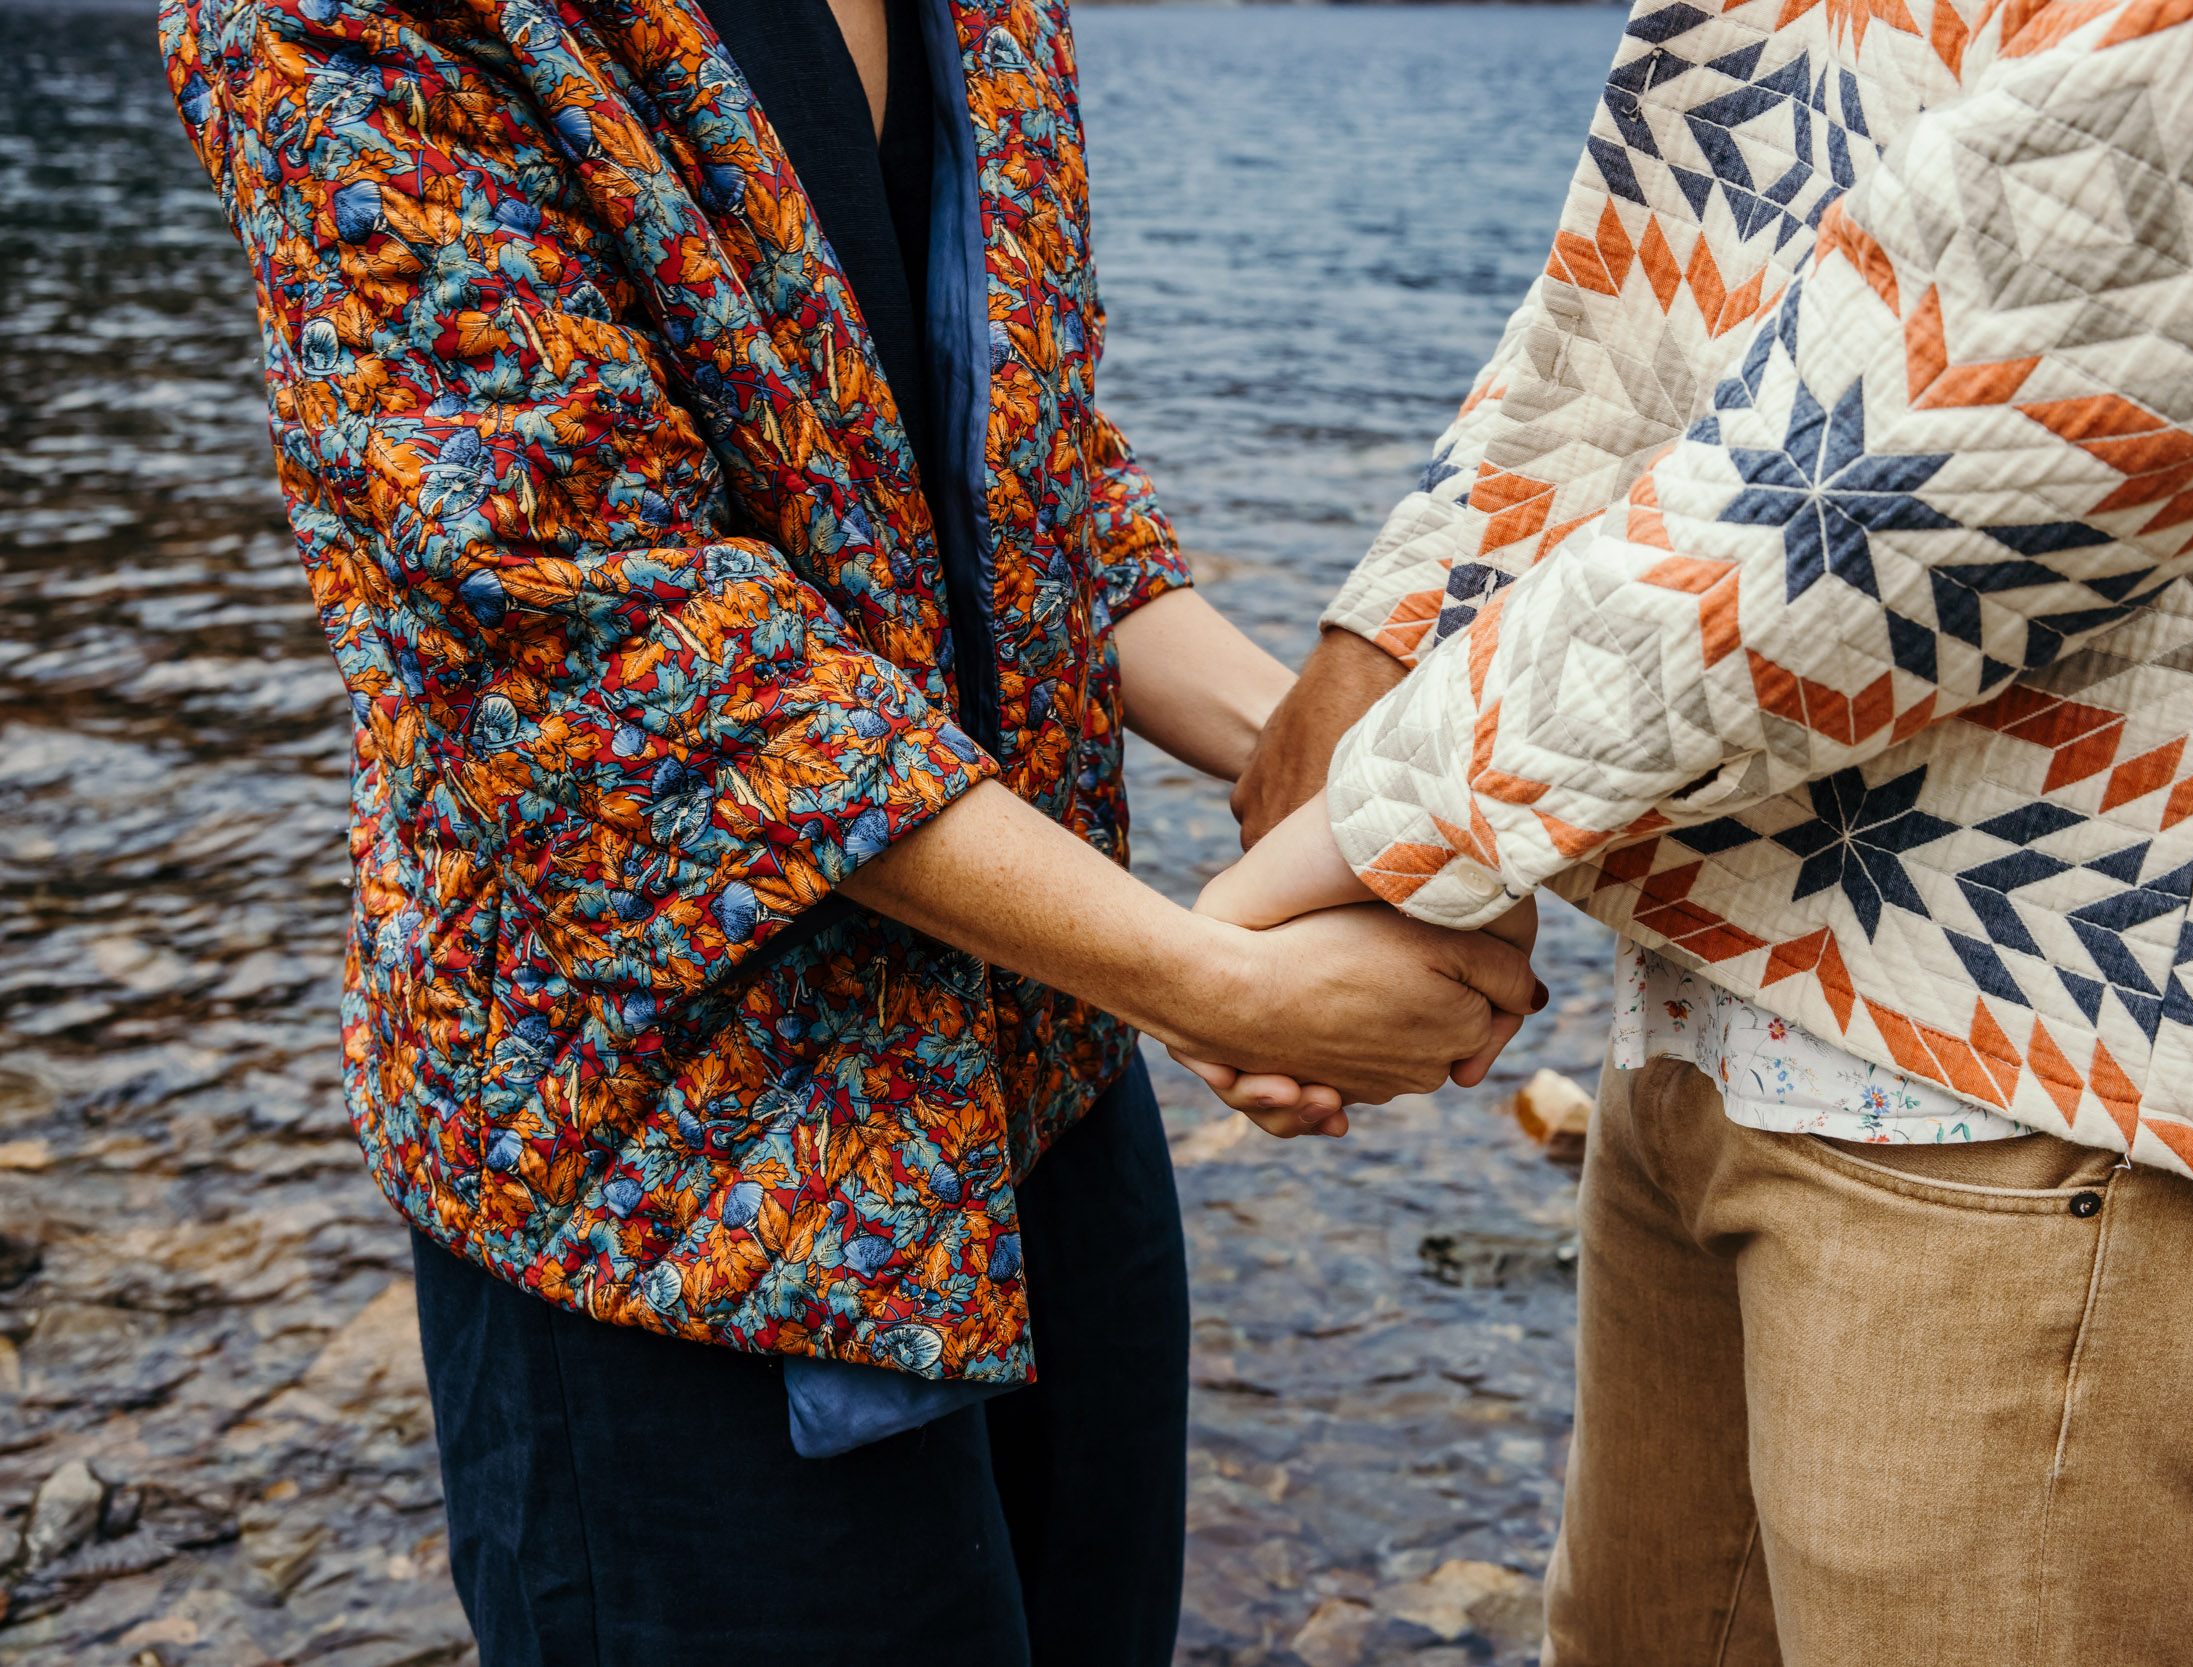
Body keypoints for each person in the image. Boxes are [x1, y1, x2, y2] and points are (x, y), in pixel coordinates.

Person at [158, 0, 1536, 1660]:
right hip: (674, 1179)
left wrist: (1355, 794)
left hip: (1045, 1106)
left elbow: (1018, 467)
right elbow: (597, 620)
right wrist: (1204, 979)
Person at [1213, 0, 2193, 1658]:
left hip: (2074, 1041)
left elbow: (1985, 435)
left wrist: (1365, 840)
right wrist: (1404, 628)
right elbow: (1670, 224)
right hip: (1720, 938)